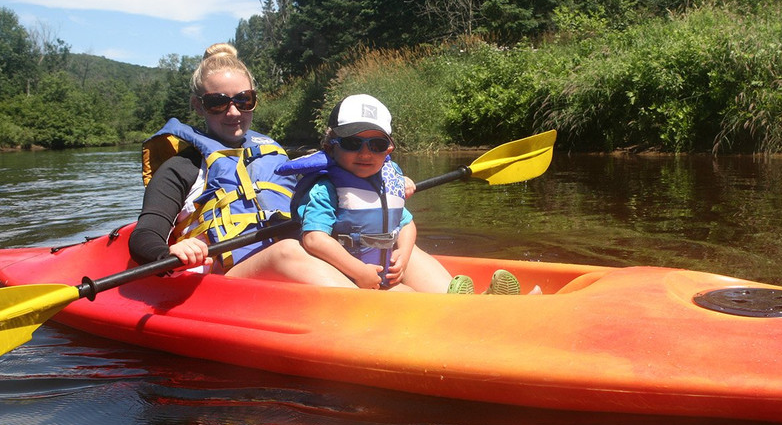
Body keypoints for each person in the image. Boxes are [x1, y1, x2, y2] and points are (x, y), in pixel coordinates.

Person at [129, 43, 353, 285]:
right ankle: (368, 307)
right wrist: (170, 253)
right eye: (218, 103)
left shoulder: (275, 156)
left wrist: (390, 183)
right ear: (198, 105)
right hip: (229, 280)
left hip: (297, 269)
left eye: (244, 100)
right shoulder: (183, 167)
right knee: (285, 252)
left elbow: (338, 192)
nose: (234, 112)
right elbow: (145, 235)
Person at [279, 93, 521, 294]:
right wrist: (357, 271)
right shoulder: (326, 188)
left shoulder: (388, 182)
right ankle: (463, 313)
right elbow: (314, 239)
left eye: (377, 145)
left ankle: (482, 302)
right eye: (353, 144)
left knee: (432, 281)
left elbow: (406, 224)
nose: (365, 153)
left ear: (389, 149)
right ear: (330, 146)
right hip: (349, 276)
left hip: (384, 267)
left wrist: (403, 254)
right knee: (407, 296)